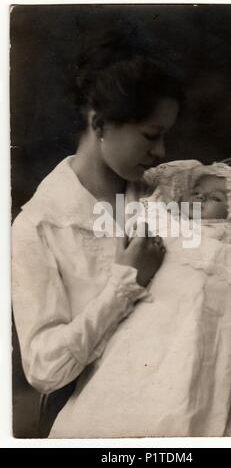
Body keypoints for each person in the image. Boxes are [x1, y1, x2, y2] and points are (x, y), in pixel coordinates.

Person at [12, 23, 184, 435]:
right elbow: (44, 367)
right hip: (95, 409)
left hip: (181, 387)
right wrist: (123, 286)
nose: (161, 152)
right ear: (101, 123)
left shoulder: (164, 192)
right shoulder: (39, 226)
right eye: (151, 136)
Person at [47, 161, 231, 438]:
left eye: (215, 198)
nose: (200, 199)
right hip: (153, 315)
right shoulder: (166, 224)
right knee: (124, 368)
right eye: (195, 193)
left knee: (186, 367)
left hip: (200, 317)